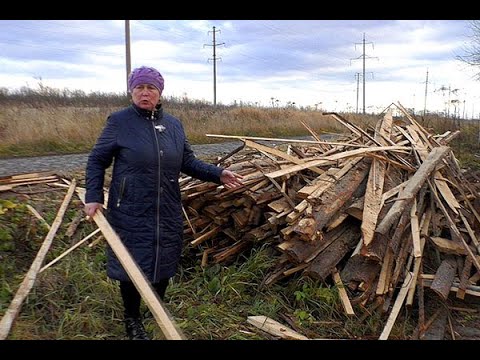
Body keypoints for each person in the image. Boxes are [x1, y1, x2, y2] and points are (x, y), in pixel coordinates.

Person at [84, 66, 243, 340]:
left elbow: (187, 162)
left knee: (163, 262)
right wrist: (94, 197)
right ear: (132, 91)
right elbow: (97, 160)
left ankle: (154, 310)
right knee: (130, 265)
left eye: (151, 88)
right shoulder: (119, 122)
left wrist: (218, 174)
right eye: (139, 88)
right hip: (131, 207)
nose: (145, 93)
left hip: (166, 207)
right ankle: (132, 320)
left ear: (160, 93)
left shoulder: (174, 125)